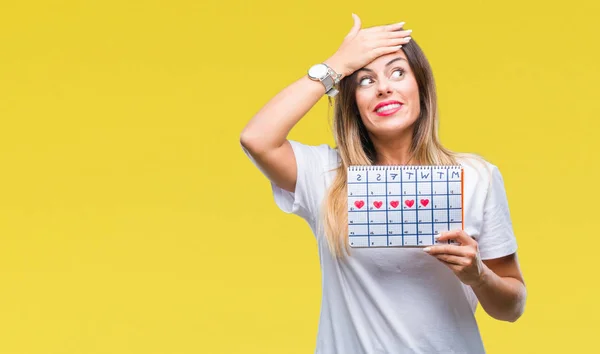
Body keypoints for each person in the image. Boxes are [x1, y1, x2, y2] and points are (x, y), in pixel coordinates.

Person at [240, 14, 527, 354]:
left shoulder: (476, 176)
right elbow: (256, 138)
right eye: (365, 80)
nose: (384, 87)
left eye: (398, 72)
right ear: (353, 103)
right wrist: (337, 65)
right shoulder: (327, 175)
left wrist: (477, 274)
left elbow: (511, 308)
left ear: (420, 85)